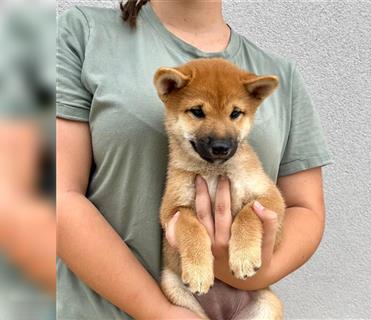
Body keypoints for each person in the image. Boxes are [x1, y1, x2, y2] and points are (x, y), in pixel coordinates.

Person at [56, 0, 332, 318]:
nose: (219, 135)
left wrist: (250, 272)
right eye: (198, 112)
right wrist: (161, 312)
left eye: (235, 114)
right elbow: (56, 196)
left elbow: (304, 208)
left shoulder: (280, 75)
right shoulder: (85, 33)